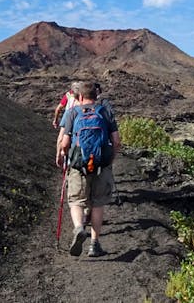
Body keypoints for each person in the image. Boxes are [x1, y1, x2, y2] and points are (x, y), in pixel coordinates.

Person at [57, 81, 121, 257]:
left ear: (79, 97)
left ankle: (79, 228)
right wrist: (110, 159)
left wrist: (66, 156)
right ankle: (94, 244)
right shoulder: (105, 112)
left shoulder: (72, 112)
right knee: (98, 203)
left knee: (76, 201)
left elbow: (65, 142)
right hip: (101, 165)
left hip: (79, 165)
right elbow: (116, 141)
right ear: (96, 96)